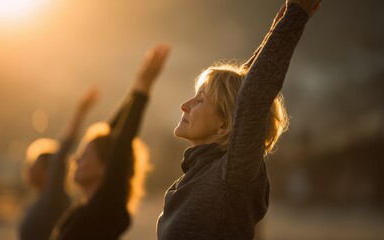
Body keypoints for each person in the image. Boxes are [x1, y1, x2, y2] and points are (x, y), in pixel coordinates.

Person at [157, 0, 322, 239]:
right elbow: (241, 94)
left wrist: (294, 18)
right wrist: (275, 29)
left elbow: (252, 98)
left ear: (224, 125)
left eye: (200, 100)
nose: (185, 105)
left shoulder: (231, 175)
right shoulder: (193, 177)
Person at [50, 44, 170, 240]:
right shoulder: (81, 210)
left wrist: (143, 88)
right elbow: (113, 134)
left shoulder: (107, 210)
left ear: (105, 167)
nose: (75, 160)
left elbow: (121, 144)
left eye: (84, 156)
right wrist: (135, 90)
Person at [19, 88, 97, 240]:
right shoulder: (41, 200)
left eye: (35, 165)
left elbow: (62, 151)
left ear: (50, 171)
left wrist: (80, 111)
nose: (28, 169)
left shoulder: (53, 198)